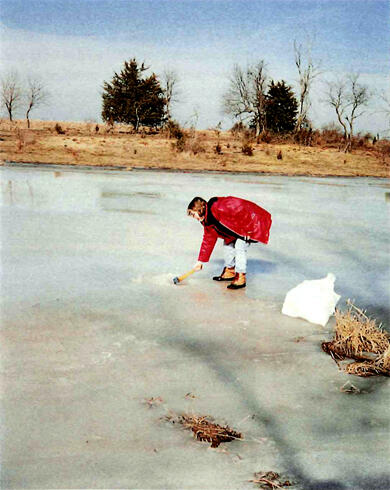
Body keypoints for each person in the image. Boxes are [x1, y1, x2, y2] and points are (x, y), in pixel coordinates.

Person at [187, 196, 272, 289]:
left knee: (240, 246)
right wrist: (200, 262)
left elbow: (242, 209)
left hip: (253, 222)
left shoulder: (220, 206)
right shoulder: (207, 221)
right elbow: (208, 240)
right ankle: (229, 271)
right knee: (228, 244)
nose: (194, 217)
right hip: (237, 229)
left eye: (193, 214)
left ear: (199, 209)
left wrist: (248, 230)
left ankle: (241, 277)